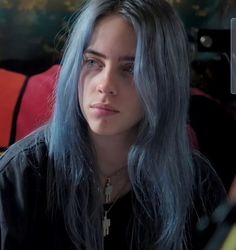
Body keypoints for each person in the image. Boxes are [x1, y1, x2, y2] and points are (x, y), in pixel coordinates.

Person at [0, 0, 226, 249]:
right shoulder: (20, 176)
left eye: (130, 68)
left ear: (164, 81)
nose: (105, 84)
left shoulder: (197, 185)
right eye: (93, 62)